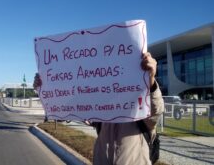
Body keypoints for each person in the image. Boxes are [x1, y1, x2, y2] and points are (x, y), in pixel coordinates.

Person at [33, 52, 164, 165]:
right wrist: (45, 88)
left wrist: (151, 81)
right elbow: (70, 107)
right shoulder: (101, 112)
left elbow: (156, 110)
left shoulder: (142, 115)